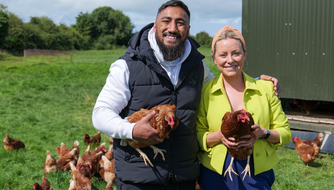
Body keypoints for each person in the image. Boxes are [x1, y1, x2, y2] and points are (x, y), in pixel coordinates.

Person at [92, 1, 279, 189]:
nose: (173, 28)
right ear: (155, 26)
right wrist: (131, 131)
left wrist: (255, 82)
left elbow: (222, 88)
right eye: (167, 21)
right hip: (140, 178)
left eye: (180, 23)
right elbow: (100, 113)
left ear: (188, 29)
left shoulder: (197, 67)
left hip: (184, 178)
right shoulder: (127, 66)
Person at [196, 25, 292, 190]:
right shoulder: (205, 91)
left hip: (256, 171)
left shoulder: (266, 89)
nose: (230, 60)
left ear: (245, 54)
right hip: (216, 171)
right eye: (223, 55)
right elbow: (197, 135)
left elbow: (285, 133)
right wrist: (219, 136)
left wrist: (263, 133)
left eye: (236, 53)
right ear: (214, 58)